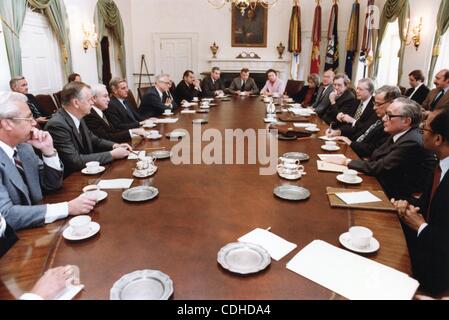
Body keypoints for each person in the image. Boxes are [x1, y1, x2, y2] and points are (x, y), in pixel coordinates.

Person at [0, 92, 96, 230]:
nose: (34, 122)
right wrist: (67, 208)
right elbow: (6, 215)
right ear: (7, 124)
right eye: (28, 118)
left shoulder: (24, 148)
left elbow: (51, 185)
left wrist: (48, 151)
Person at [324, 97, 436, 200]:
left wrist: (346, 161)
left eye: (390, 115)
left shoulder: (411, 141)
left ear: (406, 121)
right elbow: (376, 156)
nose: (384, 119)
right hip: (382, 184)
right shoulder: (398, 132)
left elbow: (381, 167)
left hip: (397, 197)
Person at [392, 108, 449, 295]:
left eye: (424, 129)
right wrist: (406, 204)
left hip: (438, 271)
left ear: (438, 139)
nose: (420, 131)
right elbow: (426, 204)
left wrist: (421, 227)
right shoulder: (439, 163)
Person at [45, 82, 131, 176]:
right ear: (76, 103)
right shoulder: (57, 125)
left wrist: (115, 146)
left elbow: (94, 140)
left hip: (86, 172)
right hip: (70, 179)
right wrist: (112, 154)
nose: (93, 102)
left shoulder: (78, 116)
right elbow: (74, 161)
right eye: (89, 99)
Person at [333, 85, 401, 159]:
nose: (374, 107)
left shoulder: (393, 124)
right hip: (353, 149)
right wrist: (339, 132)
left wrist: (350, 143)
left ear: (392, 103)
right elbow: (360, 129)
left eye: (378, 104)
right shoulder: (377, 114)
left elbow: (374, 149)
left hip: (362, 157)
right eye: (374, 103)